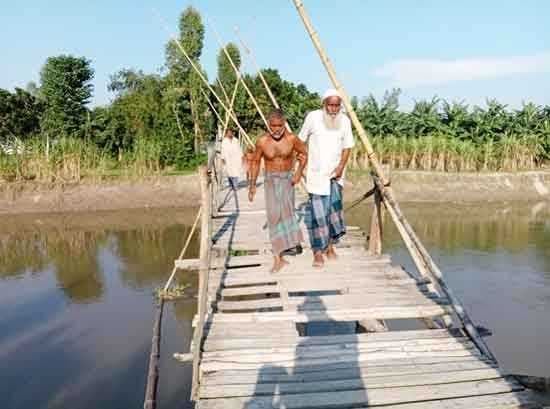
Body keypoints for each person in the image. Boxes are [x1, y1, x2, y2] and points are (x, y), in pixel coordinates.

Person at [298, 88, 355, 268]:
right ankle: (317, 252)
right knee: (318, 215)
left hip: (336, 176)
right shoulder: (313, 117)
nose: (333, 109)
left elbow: (348, 147)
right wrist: (300, 165)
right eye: (330, 105)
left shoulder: (344, 121)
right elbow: (300, 141)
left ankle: (329, 246)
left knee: (332, 214)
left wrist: (340, 167)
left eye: (337, 105)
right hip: (316, 176)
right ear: (324, 104)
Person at [248, 109, 308, 273]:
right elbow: (254, 162)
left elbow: (304, 154)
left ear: (284, 123)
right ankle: (278, 257)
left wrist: (298, 173)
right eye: (273, 126)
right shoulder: (262, 142)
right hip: (271, 180)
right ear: (268, 124)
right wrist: (252, 185)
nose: (276, 129)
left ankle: (290, 245)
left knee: (287, 213)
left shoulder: (292, 139)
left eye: (279, 125)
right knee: (274, 216)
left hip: (288, 179)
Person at [220, 128, 243, 207]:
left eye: (231, 133)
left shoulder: (236, 140)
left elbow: (239, 149)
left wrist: (241, 156)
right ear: (226, 134)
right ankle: (231, 185)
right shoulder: (224, 141)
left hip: (235, 158)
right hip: (228, 159)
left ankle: (235, 186)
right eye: (228, 133)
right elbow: (222, 150)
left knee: (236, 172)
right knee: (229, 173)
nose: (230, 134)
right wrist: (222, 158)